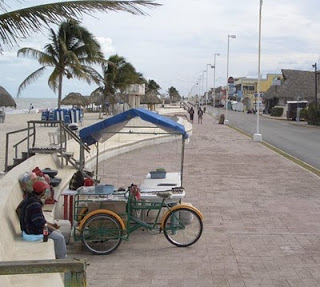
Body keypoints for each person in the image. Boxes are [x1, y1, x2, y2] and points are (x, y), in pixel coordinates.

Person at [19, 180, 67, 259]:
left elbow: (40, 220)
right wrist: (53, 228)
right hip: (31, 231)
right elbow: (40, 223)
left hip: (29, 227)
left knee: (58, 232)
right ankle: (62, 261)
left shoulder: (29, 199)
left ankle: (58, 256)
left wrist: (52, 225)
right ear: (42, 192)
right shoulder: (35, 205)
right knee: (60, 238)